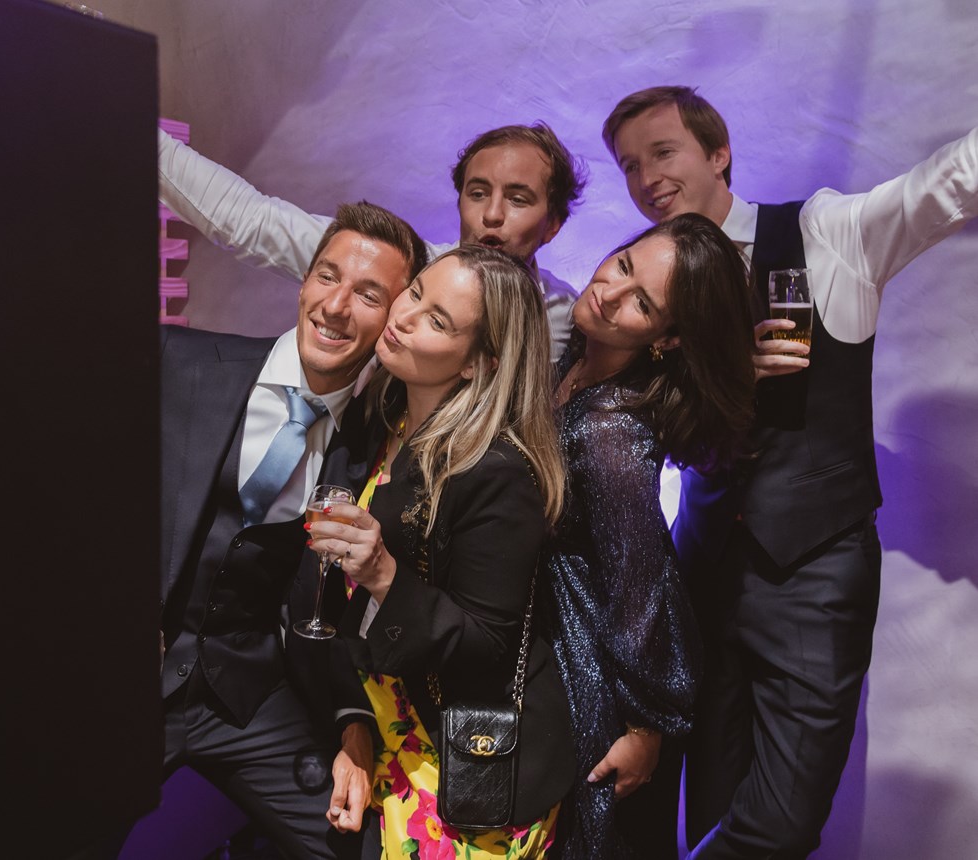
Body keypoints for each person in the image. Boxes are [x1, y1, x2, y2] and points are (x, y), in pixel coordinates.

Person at [603, 85, 978, 858]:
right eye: (630, 166)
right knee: (711, 808)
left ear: (719, 153)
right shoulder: (646, 283)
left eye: (662, 152)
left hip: (814, 572)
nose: (646, 179)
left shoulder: (825, 232)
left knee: (781, 822)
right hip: (703, 575)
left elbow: (948, 182)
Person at [156, 200, 427, 860]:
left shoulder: (372, 451)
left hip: (245, 693)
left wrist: (353, 723)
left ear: (394, 321)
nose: (335, 307)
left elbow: (331, 608)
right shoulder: (179, 362)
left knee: (358, 847)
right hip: (124, 679)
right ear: (304, 282)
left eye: (368, 294)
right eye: (327, 277)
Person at [307, 244, 577, 858]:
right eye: (415, 293)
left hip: (458, 759)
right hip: (384, 723)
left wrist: (382, 573)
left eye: (436, 320)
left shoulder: (498, 470)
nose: (402, 316)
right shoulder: (386, 414)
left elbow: (487, 643)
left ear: (479, 363)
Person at [544, 213, 757, 859]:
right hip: (560, 645)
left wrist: (645, 724)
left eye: (642, 302)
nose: (609, 292)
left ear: (667, 339)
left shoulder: (609, 429)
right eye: (624, 265)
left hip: (594, 679)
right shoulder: (575, 360)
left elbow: (639, 578)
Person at [158, 122, 587, 357]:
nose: (492, 214)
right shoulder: (405, 265)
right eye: (477, 193)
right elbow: (251, 220)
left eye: (517, 199)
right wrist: (133, 114)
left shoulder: (567, 315)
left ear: (553, 224)